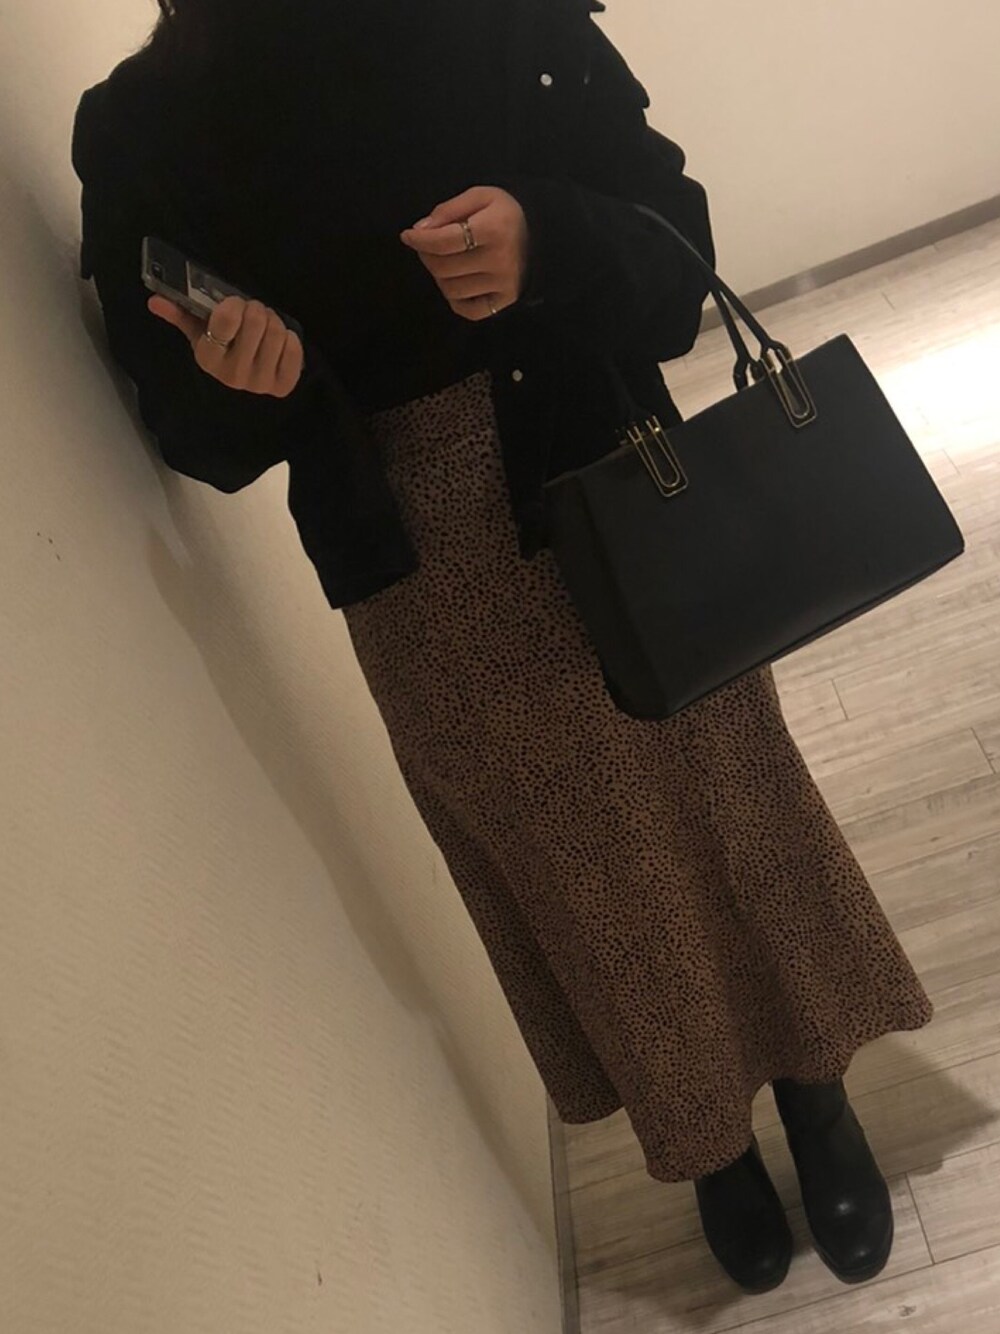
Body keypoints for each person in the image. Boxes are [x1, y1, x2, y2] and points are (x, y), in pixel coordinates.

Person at [71, 0, 933, 1296]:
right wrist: (248, 384)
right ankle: (706, 1141)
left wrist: (550, 240)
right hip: (421, 575)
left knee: (731, 800)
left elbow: (677, 248)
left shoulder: (507, 13)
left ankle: (818, 1090)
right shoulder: (145, 123)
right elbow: (188, 427)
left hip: (614, 478)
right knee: (578, 879)